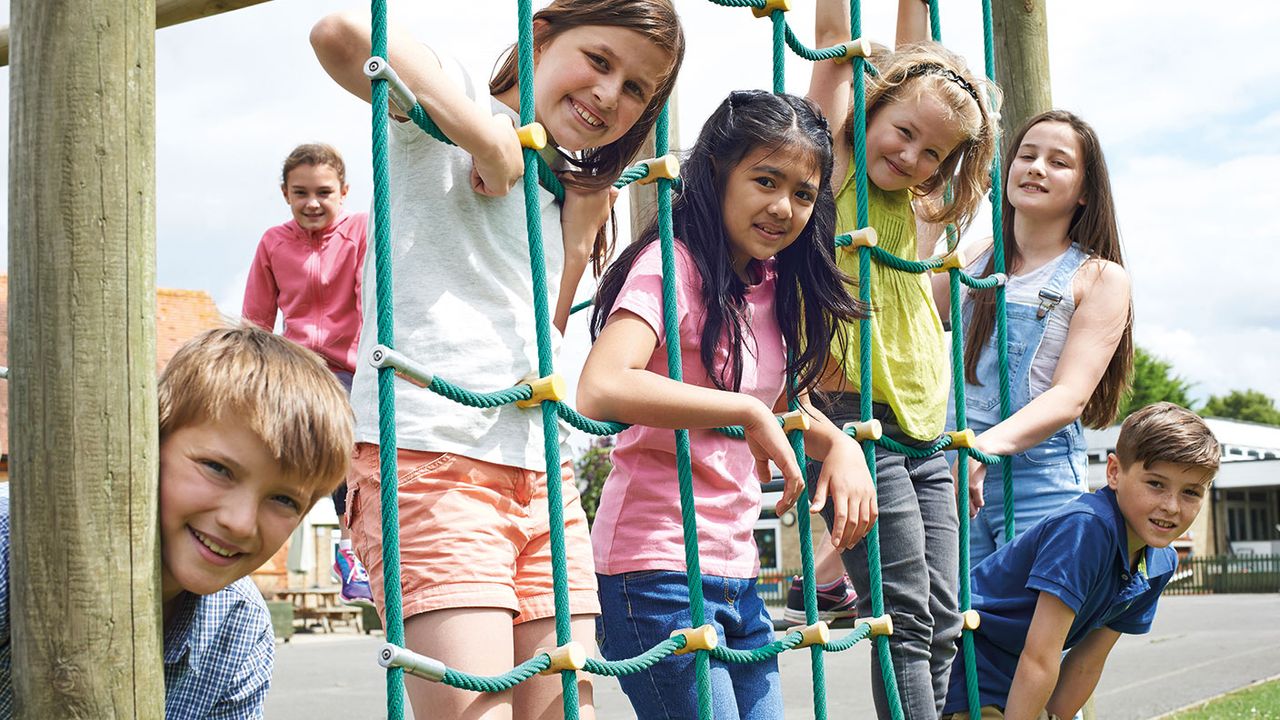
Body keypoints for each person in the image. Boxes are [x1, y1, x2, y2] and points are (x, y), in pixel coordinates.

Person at [310, 3, 685, 717]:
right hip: (432, 458)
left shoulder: (564, 191)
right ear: (539, 36)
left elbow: (535, 340)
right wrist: (484, 135)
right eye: (599, 61)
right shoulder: (453, 108)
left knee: (564, 708)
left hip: (544, 477)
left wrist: (577, 251)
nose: (610, 95)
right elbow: (339, 36)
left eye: (636, 88)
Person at [578, 90, 877, 720]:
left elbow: (780, 401)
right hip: (655, 564)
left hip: (736, 567)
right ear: (717, 173)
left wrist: (841, 444)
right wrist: (745, 411)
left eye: (802, 192)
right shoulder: (674, 264)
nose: (783, 207)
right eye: (765, 180)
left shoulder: (771, 286)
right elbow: (602, 385)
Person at [803, 1, 1000, 716]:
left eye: (933, 153)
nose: (913, 156)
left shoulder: (919, 206)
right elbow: (833, 40)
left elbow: (927, 65)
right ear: (874, 104)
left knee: (945, 622)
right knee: (904, 620)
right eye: (905, 133)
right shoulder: (834, 166)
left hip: (924, 426)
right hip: (851, 418)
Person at [0, 325, 355, 718]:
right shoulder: (11, 547)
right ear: (151, 442)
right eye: (218, 469)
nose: (239, 523)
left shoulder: (239, 628)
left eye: (284, 499)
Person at [937, 110, 1132, 566]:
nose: (1037, 167)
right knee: (954, 625)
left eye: (1058, 161)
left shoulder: (1098, 277)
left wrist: (980, 450)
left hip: (1036, 474)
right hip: (951, 467)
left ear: (1085, 191)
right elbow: (910, 312)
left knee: (1030, 623)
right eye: (1026, 155)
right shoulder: (974, 256)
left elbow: (1069, 397)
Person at [940, 403, 1220, 720]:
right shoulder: (1086, 529)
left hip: (1022, 677)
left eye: (1191, 492)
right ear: (1114, 472)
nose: (1171, 506)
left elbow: (1088, 660)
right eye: (1155, 484)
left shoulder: (1159, 563)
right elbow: (1039, 656)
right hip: (973, 669)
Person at [242, 142, 373, 606]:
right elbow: (257, 318)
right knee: (286, 457)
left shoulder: (359, 231)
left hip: (354, 370)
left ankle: (352, 548)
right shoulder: (274, 243)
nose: (312, 202)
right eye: (301, 193)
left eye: (323, 192)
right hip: (299, 369)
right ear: (285, 193)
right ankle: (249, 537)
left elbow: (371, 295)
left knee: (354, 455)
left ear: (344, 192)